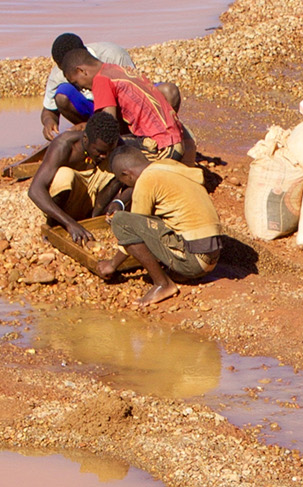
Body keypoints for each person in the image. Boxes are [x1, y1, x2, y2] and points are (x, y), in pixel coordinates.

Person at [95, 144, 224, 307]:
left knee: (121, 220)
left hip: (194, 261)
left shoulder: (146, 180)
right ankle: (180, 272)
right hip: (212, 256)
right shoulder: (168, 165)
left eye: (125, 183)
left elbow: (133, 226)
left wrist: (112, 264)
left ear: (127, 175)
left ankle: (163, 284)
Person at [60, 39, 194, 160]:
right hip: (174, 138)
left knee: (111, 153)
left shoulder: (101, 80)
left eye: (77, 83)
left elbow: (107, 128)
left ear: (82, 71)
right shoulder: (115, 69)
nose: (83, 88)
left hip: (163, 147)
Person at [38, 34, 183, 142]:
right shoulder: (59, 73)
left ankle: (156, 136)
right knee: (62, 96)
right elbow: (49, 110)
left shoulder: (113, 55)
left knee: (169, 92)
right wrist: (48, 122)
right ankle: (99, 135)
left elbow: (135, 91)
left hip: (122, 108)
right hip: (95, 112)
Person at [30, 111, 129, 261]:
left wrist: (119, 202)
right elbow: (35, 190)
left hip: (91, 201)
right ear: (85, 139)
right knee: (64, 175)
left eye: (109, 151)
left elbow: (137, 174)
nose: (105, 156)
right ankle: (55, 224)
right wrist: (70, 224)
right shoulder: (64, 146)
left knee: (121, 167)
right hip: (68, 205)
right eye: (100, 152)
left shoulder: (113, 144)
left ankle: (93, 220)